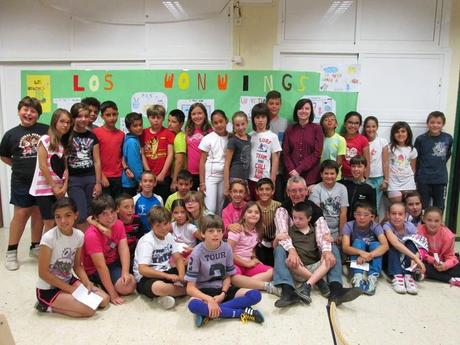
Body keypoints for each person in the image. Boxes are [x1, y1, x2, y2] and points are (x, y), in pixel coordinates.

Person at [272, 176, 361, 307]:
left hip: (313, 258)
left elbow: (322, 234)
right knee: (279, 248)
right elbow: (283, 234)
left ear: (306, 191)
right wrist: (291, 251)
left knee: (332, 247)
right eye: (293, 191)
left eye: (301, 190)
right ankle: (288, 291)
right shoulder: (282, 209)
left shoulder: (314, 209)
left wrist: (326, 251)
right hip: (294, 261)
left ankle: (336, 290)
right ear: (288, 192)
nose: (297, 194)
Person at [35, 198, 109, 317]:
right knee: (89, 310)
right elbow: (43, 273)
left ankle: (67, 299)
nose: (63, 220)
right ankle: (46, 306)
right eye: (58, 217)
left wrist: (86, 282)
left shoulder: (79, 235)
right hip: (48, 289)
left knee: (104, 300)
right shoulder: (48, 238)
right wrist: (71, 290)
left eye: (67, 215)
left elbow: (77, 266)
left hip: (68, 280)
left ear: (76, 215)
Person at [185, 215, 264, 327]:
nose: (216, 234)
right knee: (193, 306)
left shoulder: (226, 248)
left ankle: (209, 313)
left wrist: (223, 293)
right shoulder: (197, 253)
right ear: (203, 234)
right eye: (211, 231)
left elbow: (228, 276)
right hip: (204, 291)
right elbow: (190, 288)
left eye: (219, 231)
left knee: (255, 295)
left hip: (223, 288)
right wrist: (209, 300)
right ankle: (240, 312)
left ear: (223, 233)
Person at [0, 96, 48, 270]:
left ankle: (35, 247)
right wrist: (19, 165)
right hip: (21, 181)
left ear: (38, 114)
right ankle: (11, 252)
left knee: (39, 214)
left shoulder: (46, 129)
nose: (28, 113)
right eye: (25, 109)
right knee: (21, 214)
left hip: (43, 181)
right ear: (19, 111)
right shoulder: (11, 134)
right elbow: (4, 155)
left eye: (33, 111)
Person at [82, 195, 136, 305]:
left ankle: (107, 285)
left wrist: (125, 272)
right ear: (96, 217)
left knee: (129, 285)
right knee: (119, 290)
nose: (110, 217)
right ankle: (100, 284)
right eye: (104, 214)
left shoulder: (119, 224)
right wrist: (113, 294)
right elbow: (100, 266)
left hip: (112, 263)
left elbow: (123, 248)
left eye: (112, 212)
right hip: (94, 270)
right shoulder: (91, 235)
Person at [133, 206, 187, 309]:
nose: (163, 228)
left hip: (165, 271)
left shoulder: (169, 236)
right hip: (146, 278)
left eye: (166, 224)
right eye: (158, 225)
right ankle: (186, 290)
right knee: (159, 287)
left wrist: (181, 276)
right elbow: (143, 269)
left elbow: (178, 258)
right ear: (152, 226)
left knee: (191, 266)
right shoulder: (147, 241)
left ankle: (163, 297)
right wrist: (167, 277)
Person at [29, 108, 72, 233]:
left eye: (68, 122)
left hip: (60, 190)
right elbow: (43, 165)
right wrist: (53, 186)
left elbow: (66, 168)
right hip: (45, 190)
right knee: (49, 223)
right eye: (62, 121)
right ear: (54, 122)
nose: (65, 125)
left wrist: (64, 187)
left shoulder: (63, 144)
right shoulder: (45, 140)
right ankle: (46, 251)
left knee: (59, 222)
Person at [284, 202, 332, 304]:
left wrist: (330, 238)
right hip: (300, 269)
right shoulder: (290, 231)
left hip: (316, 267)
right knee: (288, 261)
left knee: (330, 259)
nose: (297, 221)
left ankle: (308, 285)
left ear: (309, 218)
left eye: (301, 218)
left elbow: (324, 242)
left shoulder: (314, 230)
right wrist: (276, 239)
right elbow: (279, 244)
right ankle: (318, 282)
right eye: (295, 217)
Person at [67, 103, 102, 231]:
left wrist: (98, 183)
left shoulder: (92, 136)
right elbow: (64, 161)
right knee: (80, 214)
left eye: (86, 116)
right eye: (79, 116)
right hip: (74, 180)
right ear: (73, 118)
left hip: (90, 178)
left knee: (90, 212)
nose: (83, 119)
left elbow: (97, 161)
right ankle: (82, 245)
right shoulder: (68, 135)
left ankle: (89, 243)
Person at [227, 202, 276, 294]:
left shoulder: (257, 231)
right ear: (244, 215)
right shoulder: (237, 230)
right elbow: (228, 253)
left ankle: (245, 284)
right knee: (233, 277)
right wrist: (246, 264)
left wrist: (254, 258)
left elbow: (252, 248)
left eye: (256, 212)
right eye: (249, 212)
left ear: (260, 216)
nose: (253, 214)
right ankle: (265, 286)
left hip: (248, 263)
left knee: (272, 272)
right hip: (235, 263)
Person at [342, 202, 389, 295]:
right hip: (357, 256)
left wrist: (369, 255)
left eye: (366, 215)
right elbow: (345, 247)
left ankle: (372, 277)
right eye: (358, 214)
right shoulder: (349, 225)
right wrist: (361, 253)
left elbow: (385, 245)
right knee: (358, 242)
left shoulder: (376, 226)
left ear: (372, 217)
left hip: (371, 255)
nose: (362, 217)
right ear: (354, 215)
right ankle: (358, 276)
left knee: (376, 244)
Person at [383, 203, 426, 295]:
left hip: (406, 258)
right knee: (392, 245)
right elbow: (396, 244)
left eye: (400, 214)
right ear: (388, 215)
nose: (397, 217)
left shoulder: (410, 226)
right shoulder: (387, 226)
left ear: (405, 215)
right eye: (393, 214)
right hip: (391, 257)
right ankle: (397, 276)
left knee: (411, 243)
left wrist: (417, 258)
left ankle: (408, 275)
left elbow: (420, 245)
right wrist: (415, 258)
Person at [414, 111, 452, 210]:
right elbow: (416, 159)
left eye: (438, 123)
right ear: (428, 123)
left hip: (440, 179)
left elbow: (447, 154)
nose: (435, 125)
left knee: (439, 207)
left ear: (443, 124)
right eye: (432, 122)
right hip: (423, 179)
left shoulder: (448, 138)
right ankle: (423, 225)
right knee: (423, 207)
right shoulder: (420, 139)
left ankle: (438, 226)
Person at [283, 98, 323, 187]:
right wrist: (292, 171)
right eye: (300, 108)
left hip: (311, 177)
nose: (303, 111)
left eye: (307, 108)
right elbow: (285, 153)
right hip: (291, 176)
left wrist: (299, 170)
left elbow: (317, 153)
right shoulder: (290, 129)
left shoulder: (317, 129)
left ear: (311, 111)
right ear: (296, 111)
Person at [417, 207, 460, 287]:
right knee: (416, 264)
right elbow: (418, 251)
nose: (433, 224)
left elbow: (450, 256)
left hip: (441, 262)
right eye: (429, 220)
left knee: (456, 267)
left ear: (441, 221)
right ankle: (449, 279)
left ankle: (428, 274)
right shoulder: (419, 230)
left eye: (436, 221)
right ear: (423, 219)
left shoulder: (448, 235)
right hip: (426, 261)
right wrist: (432, 260)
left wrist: (445, 265)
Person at [309, 160, 348, 242]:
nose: (329, 176)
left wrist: (341, 234)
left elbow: (343, 213)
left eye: (332, 173)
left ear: (337, 174)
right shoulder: (316, 189)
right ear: (321, 174)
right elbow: (317, 215)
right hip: (320, 230)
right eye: (326, 173)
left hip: (337, 231)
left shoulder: (342, 188)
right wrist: (324, 234)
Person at [248, 103, 281, 199]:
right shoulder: (249, 136)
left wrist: (272, 179)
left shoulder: (273, 136)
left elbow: (275, 159)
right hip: (250, 178)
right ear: (253, 119)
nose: (260, 120)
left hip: (265, 179)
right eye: (257, 117)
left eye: (263, 117)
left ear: (268, 119)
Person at [142, 104, 175, 201]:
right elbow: (142, 154)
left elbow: (170, 154)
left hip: (163, 177)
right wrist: (149, 173)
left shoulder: (168, 133)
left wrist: (162, 173)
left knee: (162, 202)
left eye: (159, 117)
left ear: (163, 118)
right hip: (148, 177)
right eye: (153, 117)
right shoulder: (143, 133)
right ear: (148, 118)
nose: (156, 120)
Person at [198, 110, 229, 214]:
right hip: (210, 177)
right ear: (212, 124)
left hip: (224, 177)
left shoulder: (232, 137)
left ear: (226, 121)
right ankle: (207, 229)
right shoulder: (207, 138)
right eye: (215, 123)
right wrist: (202, 182)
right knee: (210, 208)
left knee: (220, 207)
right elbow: (202, 161)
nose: (219, 125)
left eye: (221, 121)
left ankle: (218, 230)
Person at [93, 101, 124, 199]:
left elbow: (122, 156)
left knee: (118, 206)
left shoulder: (121, 134)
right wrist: (101, 176)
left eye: (114, 114)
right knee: (105, 207)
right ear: (102, 116)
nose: (112, 118)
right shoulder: (96, 133)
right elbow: (93, 158)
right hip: (103, 176)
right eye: (108, 115)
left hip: (118, 176)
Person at [362, 116, 389, 213]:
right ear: (364, 128)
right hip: (365, 178)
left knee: (375, 206)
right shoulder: (362, 141)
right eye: (368, 126)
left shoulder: (382, 142)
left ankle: (374, 227)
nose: (371, 129)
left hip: (378, 178)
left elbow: (386, 162)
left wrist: (386, 180)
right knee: (364, 205)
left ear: (377, 127)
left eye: (373, 126)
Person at [266, 90, 289, 202]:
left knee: (279, 200)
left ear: (280, 104)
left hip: (280, 171)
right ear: (266, 104)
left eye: (277, 103)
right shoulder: (261, 122)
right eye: (271, 103)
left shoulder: (285, 123)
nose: (274, 106)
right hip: (263, 170)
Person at [387, 121, 417, 203]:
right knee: (396, 207)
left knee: (409, 208)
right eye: (397, 132)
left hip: (409, 184)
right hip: (393, 184)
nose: (400, 134)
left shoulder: (412, 150)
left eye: (403, 131)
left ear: (408, 133)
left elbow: (413, 168)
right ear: (393, 134)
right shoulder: (389, 148)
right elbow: (385, 166)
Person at [185, 103, 212, 190]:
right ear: (190, 116)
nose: (197, 116)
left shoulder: (210, 131)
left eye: (200, 113)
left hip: (206, 173)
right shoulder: (188, 131)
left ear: (205, 115)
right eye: (193, 114)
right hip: (190, 174)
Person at [223, 111, 251, 197]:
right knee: (233, 202)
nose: (240, 127)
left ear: (247, 123)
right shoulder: (233, 141)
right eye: (237, 125)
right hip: (235, 176)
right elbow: (227, 164)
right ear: (233, 126)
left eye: (243, 124)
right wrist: (226, 185)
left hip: (245, 177)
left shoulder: (249, 138)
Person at [340, 156, 376, 221]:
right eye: (353, 166)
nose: (356, 169)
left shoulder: (370, 187)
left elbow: (373, 210)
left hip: (360, 223)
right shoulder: (344, 183)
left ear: (365, 168)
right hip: (345, 222)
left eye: (359, 166)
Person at [255, 178, 281, 267]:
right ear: (257, 191)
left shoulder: (279, 206)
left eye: (267, 189)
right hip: (259, 242)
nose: (264, 192)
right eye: (261, 189)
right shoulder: (254, 206)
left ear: (273, 191)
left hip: (275, 241)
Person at [341, 111, 370, 179]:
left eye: (356, 123)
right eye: (350, 122)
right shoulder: (340, 139)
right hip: (342, 177)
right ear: (345, 123)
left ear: (360, 125)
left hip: (358, 178)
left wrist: (365, 179)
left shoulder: (363, 140)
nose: (353, 126)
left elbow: (367, 163)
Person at [121, 112, 143, 197]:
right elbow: (135, 164)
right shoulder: (132, 142)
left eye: (140, 125)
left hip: (132, 181)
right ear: (128, 128)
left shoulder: (134, 138)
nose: (139, 128)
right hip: (131, 182)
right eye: (135, 126)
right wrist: (141, 181)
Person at [320, 112, 346, 180]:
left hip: (335, 176)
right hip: (321, 174)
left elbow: (339, 161)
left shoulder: (340, 139)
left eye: (332, 119)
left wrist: (329, 173)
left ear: (336, 124)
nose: (329, 121)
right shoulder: (319, 139)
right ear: (321, 124)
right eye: (326, 120)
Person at [168, 109, 187, 191]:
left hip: (179, 178)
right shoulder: (173, 136)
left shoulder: (180, 138)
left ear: (181, 124)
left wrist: (174, 181)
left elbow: (179, 160)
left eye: (173, 122)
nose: (169, 124)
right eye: (169, 121)